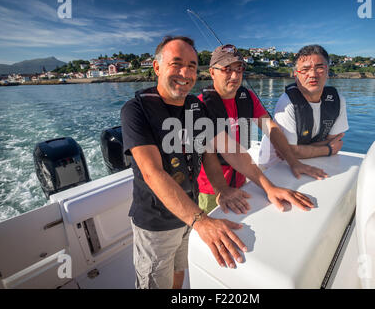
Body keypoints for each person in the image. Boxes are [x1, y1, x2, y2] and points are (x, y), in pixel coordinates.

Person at [120, 36, 315, 289]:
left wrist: (267, 187)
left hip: (189, 212)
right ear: (157, 67)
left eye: (191, 65)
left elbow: (224, 151)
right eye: (176, 64)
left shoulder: (193, 108)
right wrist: (202, 221)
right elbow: (152, 173)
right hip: (157, 223)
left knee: (179, 271)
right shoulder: (135, 110)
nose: (185, 72)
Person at [197, 44, 327, 214]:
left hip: (243, 177)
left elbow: (270, 128)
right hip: (212, 188)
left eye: (239, 69)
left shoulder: (248, 98)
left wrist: (292, 161)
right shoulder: (199, 106)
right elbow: (212, 153)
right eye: (227, 69)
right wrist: (223, 188)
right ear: (212, 72)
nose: (235, 76)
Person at [259, 44, 349, 168]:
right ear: (296, 74)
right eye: (305, 70)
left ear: (327, 71)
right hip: (276, 166)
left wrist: (299, 150)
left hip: (314, 160)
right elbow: (289, 152)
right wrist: (327, 149)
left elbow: (335, 141)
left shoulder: (337, 100)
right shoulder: (287, 103)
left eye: (319, 68)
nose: (312, 74)